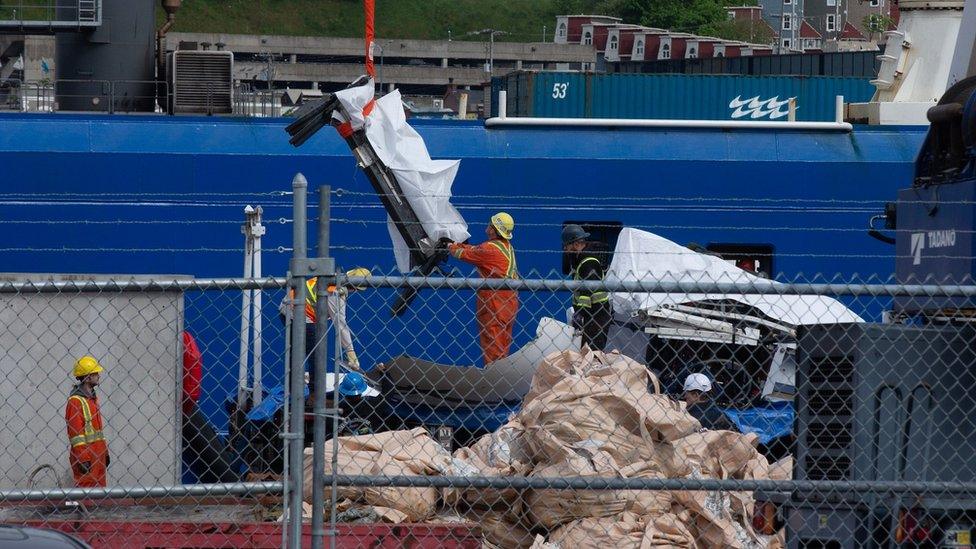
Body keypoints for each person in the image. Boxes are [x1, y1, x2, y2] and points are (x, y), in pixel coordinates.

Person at [444, 212, 519, 364]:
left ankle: (495, 379)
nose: (487, 227)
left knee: (493, 346)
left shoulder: (489, 248)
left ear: (494, 229)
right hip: (509, 301)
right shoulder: (505, 247)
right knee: (503, 343)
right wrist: (458, 244)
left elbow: (465, 254)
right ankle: (500, 377)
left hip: (495, 302)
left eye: (490, 225)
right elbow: (476, 250)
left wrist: (450, 246)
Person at [280, 267, 372, 375]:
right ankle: (313, 389)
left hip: (287, 307)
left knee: (298, 353)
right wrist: (351, 352)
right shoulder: (335, 293)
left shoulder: (332, 277)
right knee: (316, 356)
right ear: (355, 289)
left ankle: (295, 384)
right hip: (298, 314)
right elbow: (340, 324)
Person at [562, 224, 612, 351]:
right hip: (592, 317)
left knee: (592, 353)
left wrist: (580, 313)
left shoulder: (588, 263)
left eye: (567, 245)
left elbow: (586, 292)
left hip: (596, 317)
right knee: (587, 353)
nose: (565, 249)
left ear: (575, 243)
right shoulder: (582, 260)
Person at [65, 356, 109, 487]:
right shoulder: (76, 402)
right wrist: (83, 458)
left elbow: (98, 431)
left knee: (100, 493)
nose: (98, 376)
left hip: (98, 454)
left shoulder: (92, 399)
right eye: (95, 373)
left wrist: (104, 452)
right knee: (87, 492)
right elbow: (76, 435)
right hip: (87, 457)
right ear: (87, 377)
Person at [335, 372, 383, 436]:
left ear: (344, 393)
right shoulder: (372, 403)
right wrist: (383, 371)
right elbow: (388, 393)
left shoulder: (338, 410)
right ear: (361, 391)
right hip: (370, 441)